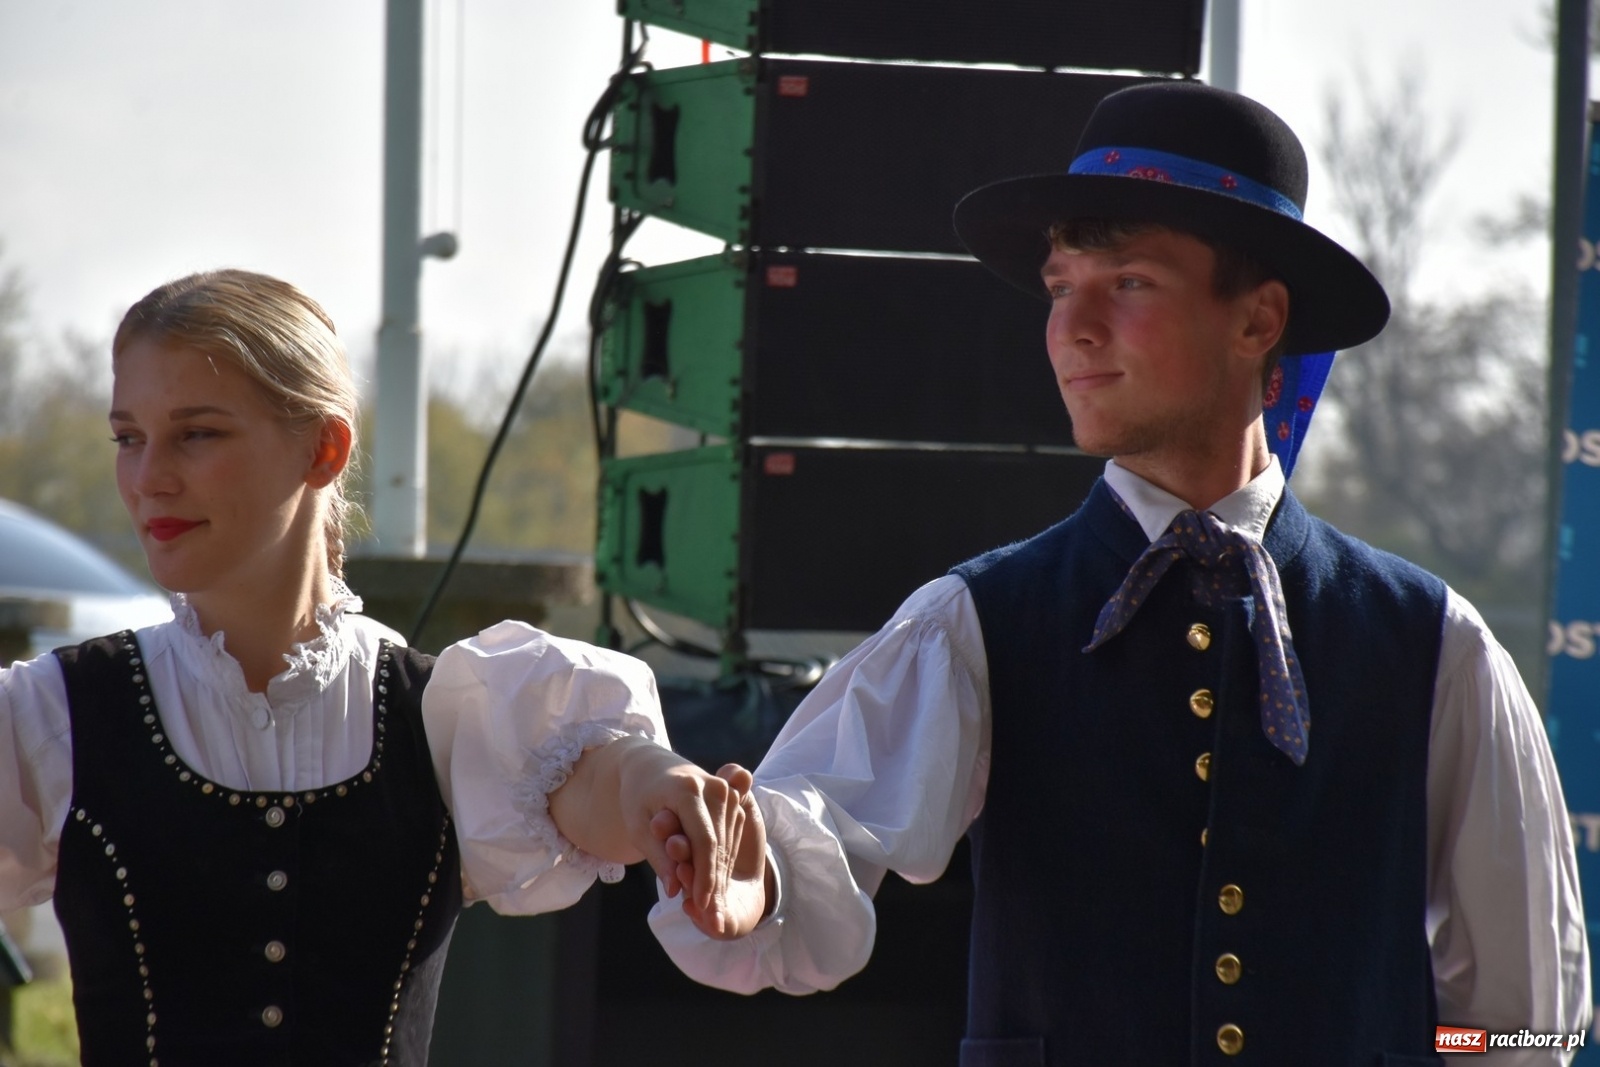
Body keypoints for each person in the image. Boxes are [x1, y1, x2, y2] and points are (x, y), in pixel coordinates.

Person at [651, 81, 1591, 1065]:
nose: (1074, 326)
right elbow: (818, 833)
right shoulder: (976, 621)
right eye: (1062, 286)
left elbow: (1530, 1025)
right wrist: (750, 885)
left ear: (1257, 319)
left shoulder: (1433, 643)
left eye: (1129, 281)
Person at [0, 269, 759, 1066]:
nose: (149, 474)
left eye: (197, 433)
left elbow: (596, 776)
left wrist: (663, 790)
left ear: (323, 448)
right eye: (128, 437)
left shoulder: (440, 712)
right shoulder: (55, 715)